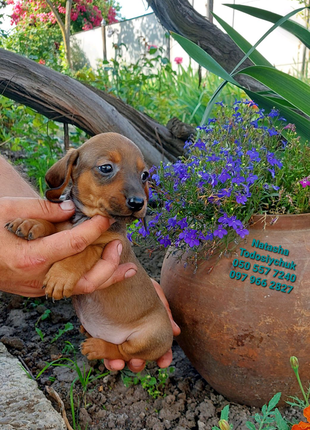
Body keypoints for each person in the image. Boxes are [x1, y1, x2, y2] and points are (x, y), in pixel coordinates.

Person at [0, 155, 180, 372]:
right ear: (71, 170)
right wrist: (41, 225)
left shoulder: (112, 233)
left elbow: (98, 247)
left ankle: (119, 350)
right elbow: (62, 235)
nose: (137, 196)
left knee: (156, 335)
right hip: (106, 317)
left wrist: (70, 266)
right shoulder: (73, 212)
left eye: (142, 177)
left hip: (139, 325)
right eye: (106, 168)